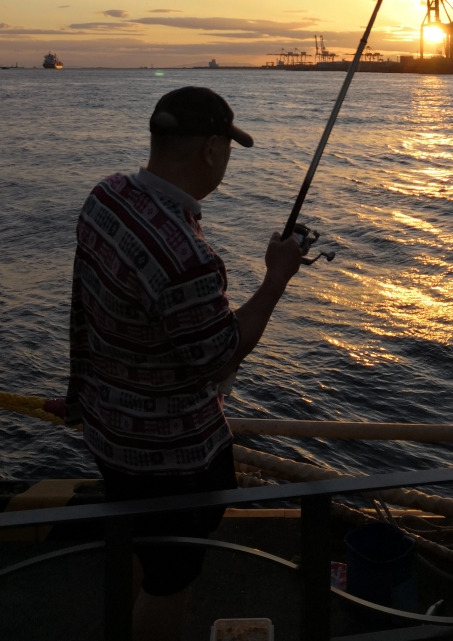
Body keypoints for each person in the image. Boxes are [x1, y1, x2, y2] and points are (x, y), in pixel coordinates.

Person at [65, 86, 302, 641]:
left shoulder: (105, 199)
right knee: (170, 579)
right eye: (227, 148)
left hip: (106, 434)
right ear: (212, 150)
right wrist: (276, 279)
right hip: (168, 458)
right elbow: (220, 353)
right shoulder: (189, 260)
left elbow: (85, 305)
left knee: (130, 541)